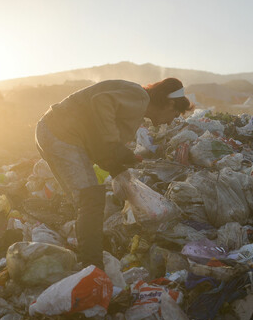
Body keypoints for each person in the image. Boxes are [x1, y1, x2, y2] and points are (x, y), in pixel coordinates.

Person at [35, 78, 192, 268]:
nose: (173, 120)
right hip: (60, 133)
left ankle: (86, 259)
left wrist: (116, 166)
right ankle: (92, 266)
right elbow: (101, 102)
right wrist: (113, 145)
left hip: (53, 131)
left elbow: (96, 132)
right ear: (170, 103)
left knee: (84, 200)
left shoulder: (136, 108)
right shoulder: (139, 97)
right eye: (176, 113)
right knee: (90, 199)